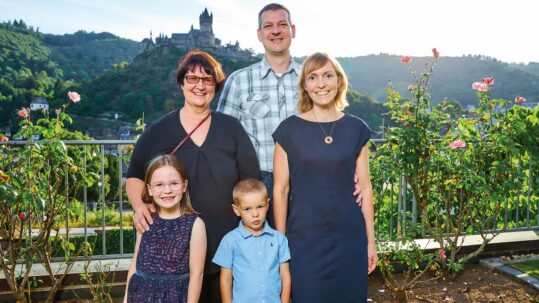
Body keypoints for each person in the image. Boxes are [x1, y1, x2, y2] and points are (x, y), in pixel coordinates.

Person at [127, 50, 260, 303]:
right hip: (172, 248)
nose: (200, 86)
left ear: (215, 86)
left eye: (207, 80)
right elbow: (134, 176)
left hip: (225, 241)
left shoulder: (231, 128)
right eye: (192, 79)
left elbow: (250, 180)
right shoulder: (158, 130)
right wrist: (139, 205)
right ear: (181, 83)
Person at [272, 52, 378, 302]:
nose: (321, 83)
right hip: (304, 239)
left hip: (349, 237)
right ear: (305, 86)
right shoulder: (288, 130)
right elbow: (280, 191)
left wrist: (370, 242)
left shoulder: (357, 129)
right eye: (313, 77)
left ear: (339, 81)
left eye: (328, 75)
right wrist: (280, 243)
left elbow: (365, 187)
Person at [217, 3, 300, 220]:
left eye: (282, 24)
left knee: (307, 250)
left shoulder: (311, 79)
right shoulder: (238, 81)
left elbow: (331, 126)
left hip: (308, 177)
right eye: (268, 26)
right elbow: (222, 139)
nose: (275, 31)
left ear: (293, 30)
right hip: (258, 181)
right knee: (261, 250)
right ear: (259, 34)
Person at [124, 154, 206, 303]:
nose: (167, 190)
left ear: (184, 186)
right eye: (159, 185)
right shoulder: (146, 219)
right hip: (139, 296)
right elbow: (135, 264)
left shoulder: (195, 224)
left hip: (174, 297)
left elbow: (197, 274)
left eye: (174, 183)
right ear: (149, 189)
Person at [212, 178, 291, 303]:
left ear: (267, 205)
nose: (255, 214)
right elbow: (226, 278)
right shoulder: (230, 240)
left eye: (260, 206)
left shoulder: (279, 239)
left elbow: (285, 276)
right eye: (247, 209)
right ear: (236, 210)